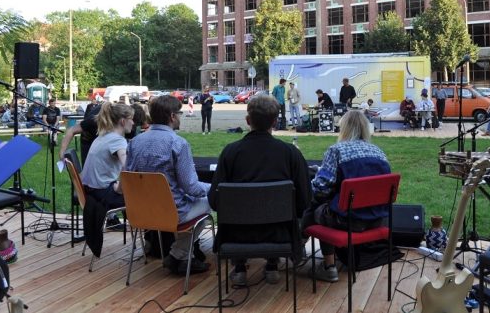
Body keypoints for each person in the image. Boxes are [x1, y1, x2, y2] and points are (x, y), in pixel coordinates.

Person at [208, 95, 311, 286]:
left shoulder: (230, 152)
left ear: (248, 121)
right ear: (275, 122)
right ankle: (272, 265)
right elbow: (304, 201)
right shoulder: (290, 153)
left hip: (236, 235)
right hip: (280, 234)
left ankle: (240, 268)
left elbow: (215, 201)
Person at [302, 110, 391, 283]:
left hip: (348, 221)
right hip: (377, 220)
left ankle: (327, 266)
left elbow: (321, 189)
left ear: (344, 128)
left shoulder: (337, 150)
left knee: (316, 208)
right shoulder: (379, 153)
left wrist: (314, 178)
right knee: (327, 205)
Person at [126, 95, 211, 275]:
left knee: (192, 205)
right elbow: (191, 188)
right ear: (172, 116)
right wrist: (213, 188)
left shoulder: (134, 142)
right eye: (180, 113)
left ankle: (183, 257)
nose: (180, 117)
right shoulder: (178, 143)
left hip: (141, 212)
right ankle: (177, 255)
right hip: (172, 212)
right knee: (209, 202)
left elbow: (129, 176)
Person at [80, 102, 134, 211]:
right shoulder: (118, 140)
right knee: (143, 197)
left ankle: (117, 219)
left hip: (91, 191)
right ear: (123, 121)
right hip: (102, 193)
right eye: (131, 119)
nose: (133, 123)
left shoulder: (103, 136)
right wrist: (119, 189)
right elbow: (127, 167)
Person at [60, 102, 102, 166]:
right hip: (87, 140)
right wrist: (62, 152)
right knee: (88, 166)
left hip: (100, 138)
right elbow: (71, 130)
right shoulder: (93, 120)